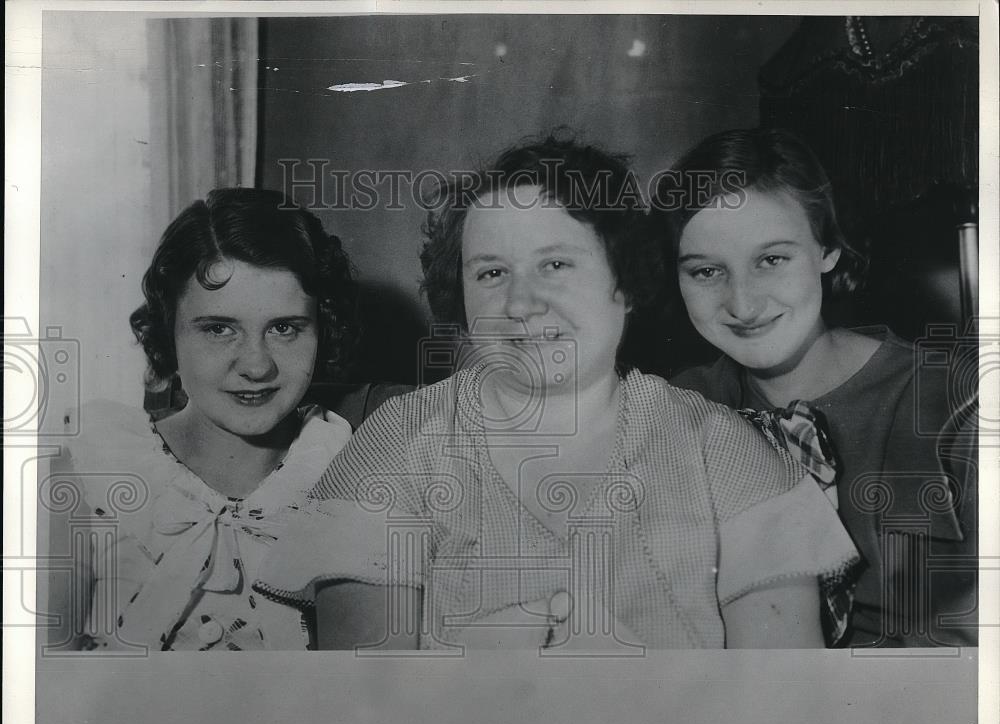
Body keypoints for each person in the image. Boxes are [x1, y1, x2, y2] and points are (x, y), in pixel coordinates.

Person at [254, 134, 860, 650]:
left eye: (555, 265)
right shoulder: (396, 447)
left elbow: (782, 710)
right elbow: (365, 714)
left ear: (627, 281)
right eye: (491, 273)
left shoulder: (722, 452)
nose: (519, 305)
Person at [657, 128, 977, 647]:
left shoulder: (957, 406)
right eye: (707, 271)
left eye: (771, 260)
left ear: (828, 248)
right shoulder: (675, 410)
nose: (742, 304)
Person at [45, 188, 359, 651]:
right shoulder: (92, 469)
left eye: (284, 328)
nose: (256, 365)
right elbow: (37, 695)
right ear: (169, 332)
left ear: (322, 330)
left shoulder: (348, 471)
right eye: (218, 329)